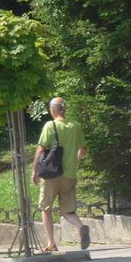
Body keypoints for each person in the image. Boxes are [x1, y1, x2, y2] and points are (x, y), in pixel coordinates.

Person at [32, 97, 89, 252]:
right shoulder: (76, 126)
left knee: (46, 208)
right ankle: (81, 227)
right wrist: (74, 161)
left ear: (53, 110)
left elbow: (41, 149)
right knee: (67, 211)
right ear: (64, 109)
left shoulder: (50, 126)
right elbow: (83, 149)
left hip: (52, 174)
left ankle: (51, 243)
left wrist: (35, 170)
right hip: (70, 175)